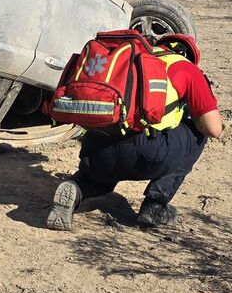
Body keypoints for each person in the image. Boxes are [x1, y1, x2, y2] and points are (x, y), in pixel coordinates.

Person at [46, 34, 222, 231]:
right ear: (189, 55)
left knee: (101, 177)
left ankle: (77, 187)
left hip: (95, 150)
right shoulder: (186, 67)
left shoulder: (132, 61)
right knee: (199, 134)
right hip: (145, 154)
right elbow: (214, 128)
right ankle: (155, 205)